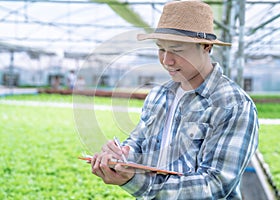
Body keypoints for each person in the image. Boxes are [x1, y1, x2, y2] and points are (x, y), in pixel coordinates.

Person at [91, 1, 259, 199]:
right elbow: (138, 144)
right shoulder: (159, 95)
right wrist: (121, 157)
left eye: (177, 50)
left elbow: (214, 185)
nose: (166, 60)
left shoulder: (233, 105)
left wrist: (136, 182)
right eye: (161, 49)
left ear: (206, 46)